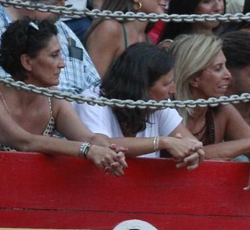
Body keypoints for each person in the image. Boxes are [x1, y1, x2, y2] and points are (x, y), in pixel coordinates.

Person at [0, 20, 125, 169]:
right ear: (27, 62)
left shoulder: (53, 98)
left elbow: (87, 137)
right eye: (54, 55)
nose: (62, 64)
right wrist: (87, 150)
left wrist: (109, 150)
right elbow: (26, 142)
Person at [170, 33, 250, 192]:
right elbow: (193, 153)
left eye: (225, 66)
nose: (228, 76)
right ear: (194, 78)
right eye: (218, 69)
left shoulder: (222, 109)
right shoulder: (166, 108)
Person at [73, 42, 206, 163]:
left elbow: (191, 142)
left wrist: (193, 151)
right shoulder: (92, 99)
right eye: (166, 84)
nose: (173, 89)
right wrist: (163, 142)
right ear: (141, 87)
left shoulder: (159, 102)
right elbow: (100, 146)